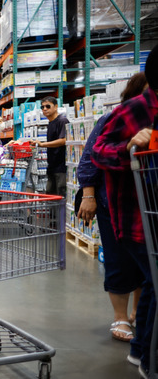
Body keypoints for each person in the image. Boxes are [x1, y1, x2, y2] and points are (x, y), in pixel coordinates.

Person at [92, 44, 158, 378]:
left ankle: (141, 350)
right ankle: (146, 354)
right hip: (135, 216)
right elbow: (95, 154)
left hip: (148, 215)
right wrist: (130, 145)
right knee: (147, 277)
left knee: (152, 282)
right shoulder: (128, 113)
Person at [78, 72, 148, 345]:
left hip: (145, 204)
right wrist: (89, 196)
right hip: (113, 203)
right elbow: (88, 159)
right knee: (119, 259)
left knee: (145, 263)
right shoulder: (112, 120)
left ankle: (137, 314)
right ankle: (120, 316)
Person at [35, 96, 68, 197]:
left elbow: (64, 140)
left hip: (61, 167)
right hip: (52, 167)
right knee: (50, 196)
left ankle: (60, 214)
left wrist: (43, 144)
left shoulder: (62, 121)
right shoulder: (51, 123)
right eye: (42, 107)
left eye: (48, 106)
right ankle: (54, 214)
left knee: (60, 196)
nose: (44, 109)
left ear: (56, 106)